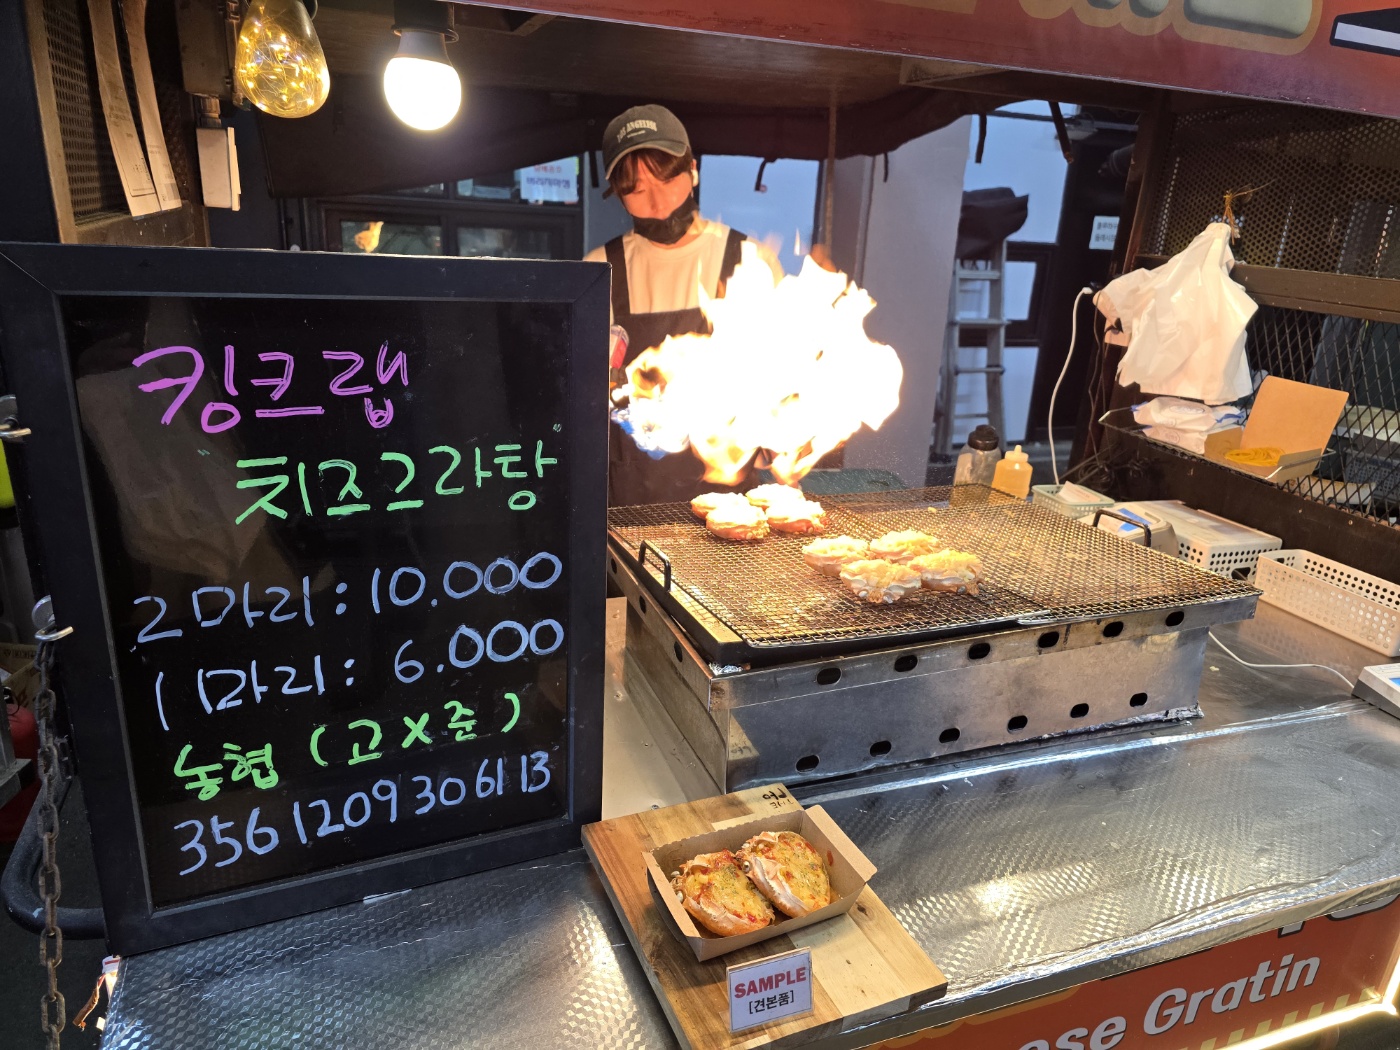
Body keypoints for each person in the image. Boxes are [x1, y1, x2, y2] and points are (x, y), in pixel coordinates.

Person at [585, 104, 783, 506]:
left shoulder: (749, 260)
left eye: (667, 179)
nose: (658, 204)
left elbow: (778, 382)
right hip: (631, 491)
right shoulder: (601, 269)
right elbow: (588, 391)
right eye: (636, 190)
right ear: (618, 194)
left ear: (692, 170)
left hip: (728, 495)